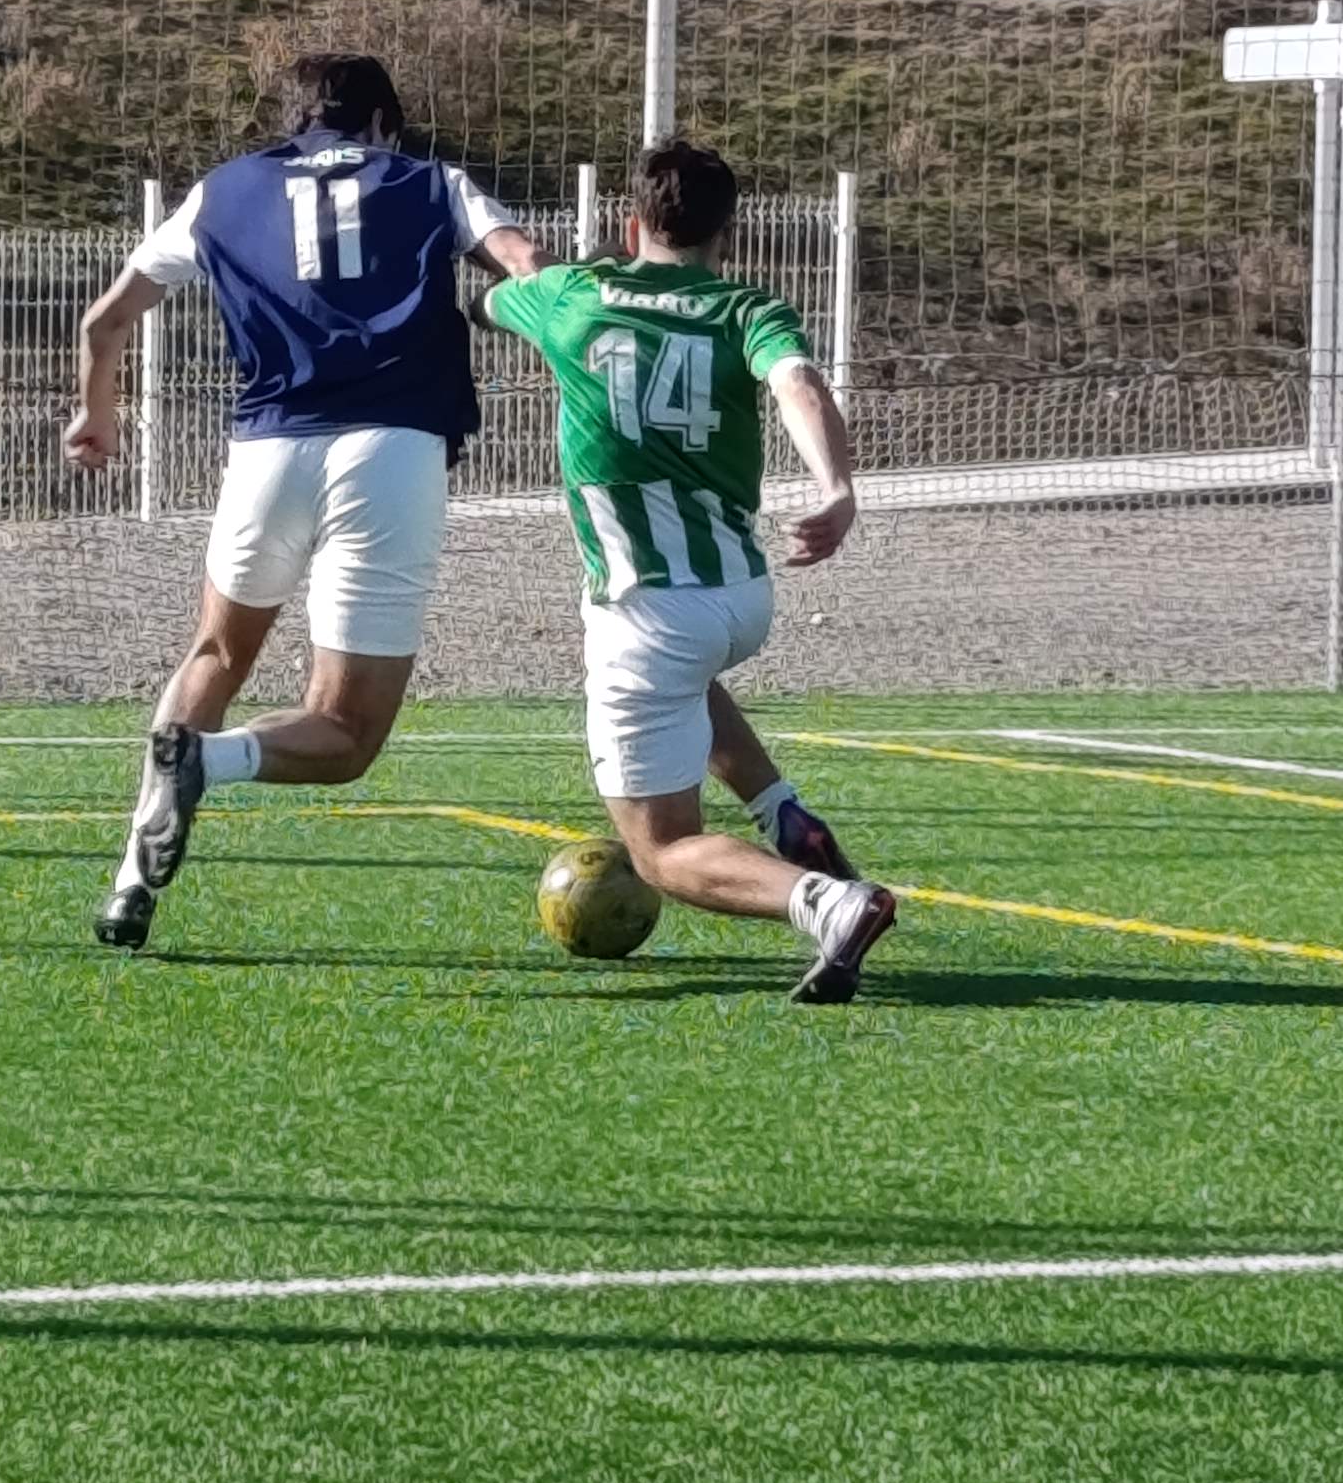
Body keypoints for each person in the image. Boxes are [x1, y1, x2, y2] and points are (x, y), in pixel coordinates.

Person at [63, 54, 538, 948]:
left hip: (268, 452)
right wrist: (494, 314)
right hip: (390, 452)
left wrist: (97, 414)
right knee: (346, 732)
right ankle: (212, 760)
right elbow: (529, 265)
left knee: (214, 654)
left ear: (295, 121)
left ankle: (130, 881)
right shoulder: (431, 182)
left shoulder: (223, 190)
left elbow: (105, 319)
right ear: (386, 124)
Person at [483, 137, 900, 1004]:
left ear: (631, 222)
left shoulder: (571, 296)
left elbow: (491, 299)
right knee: (689, 682)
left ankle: (826, 902)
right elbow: (799, 385)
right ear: (728, 233)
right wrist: (836, 489)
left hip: (647, 611)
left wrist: (548, 268)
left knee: (660, 850)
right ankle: (782, 811)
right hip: (741, 596)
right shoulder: (747, 308)